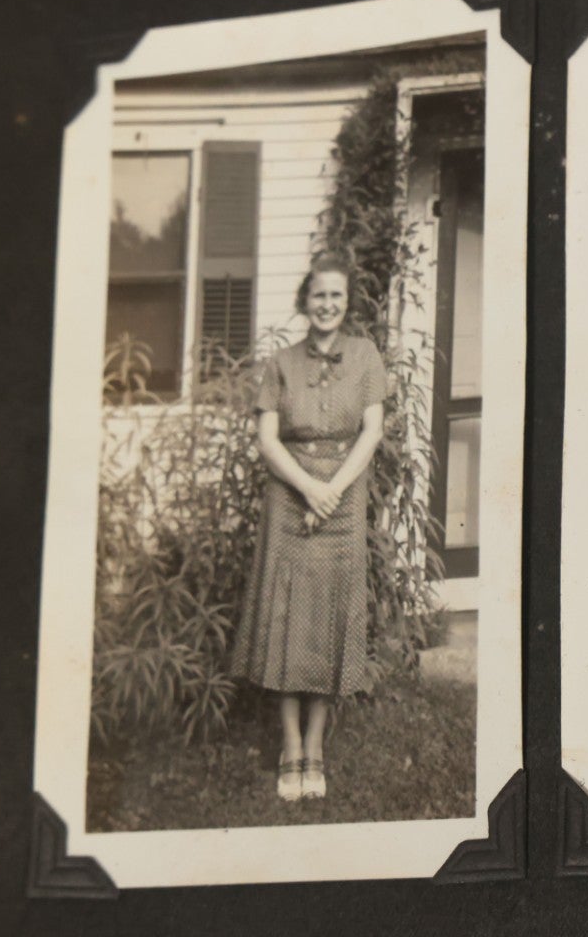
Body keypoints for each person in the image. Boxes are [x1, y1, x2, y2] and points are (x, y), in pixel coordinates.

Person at [229, 252, 386, 802]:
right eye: (319, 295)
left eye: (336, 296)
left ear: (347, 303)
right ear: (305, 299)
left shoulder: (366, 356)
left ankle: (316, 746)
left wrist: (335, 488)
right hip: (290, 496)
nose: (327, 305)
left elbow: (370, 431)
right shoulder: (280, 364)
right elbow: (269, 440)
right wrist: (308, 488)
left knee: (328, 615)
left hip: (344, 497)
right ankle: (288, 745)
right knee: (287, 615)